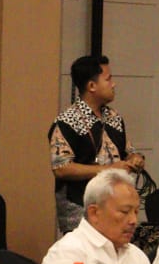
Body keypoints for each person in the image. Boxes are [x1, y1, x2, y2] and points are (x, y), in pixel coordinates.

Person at [49, 54, 146, 236]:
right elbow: (61, 168)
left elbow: (129, 151)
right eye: (108, 79)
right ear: (92, 86)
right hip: (80, 213)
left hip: (116, 210)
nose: (113, 84)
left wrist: (136, 159)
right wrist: (108, 169)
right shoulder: (67, 121)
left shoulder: (114, 117)